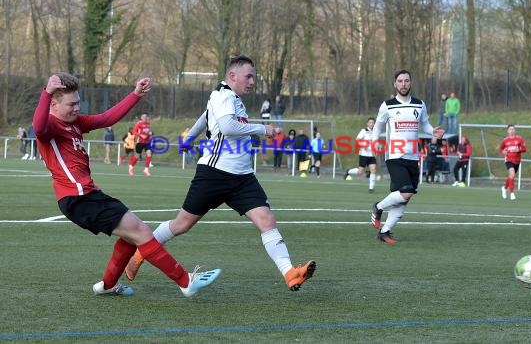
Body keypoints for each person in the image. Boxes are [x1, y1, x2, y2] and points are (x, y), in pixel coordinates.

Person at [123, 55, 316, 291]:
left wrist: (189, 138)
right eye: (249, 76)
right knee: (181, 224)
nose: (252, 82)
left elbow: (204, 118)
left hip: (242, 177)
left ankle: (290, 274)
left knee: (267, 220)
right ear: (233, 76)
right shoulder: (224, 95)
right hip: (215, 173)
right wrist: (262, 129)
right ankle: (141, 252)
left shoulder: (230, 99)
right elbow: (226, 127)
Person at [32, 73, 221, 297]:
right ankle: (185, 281)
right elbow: (39, 127)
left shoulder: (75, 123)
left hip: (87, 195)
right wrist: (46, 93)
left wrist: (135, 95)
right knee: (141, 231)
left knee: (131, 236)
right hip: (78, 198)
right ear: (53, 104)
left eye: (78, 102)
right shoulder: (50, 126)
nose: (77, 108)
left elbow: (106, 118)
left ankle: (108, 285)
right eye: (71, 104)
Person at [370, 69, 443, 244]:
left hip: (413, 156)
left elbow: (424, 125)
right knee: (406, 191)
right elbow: (378, 127)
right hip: (394, 155)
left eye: (406, 81)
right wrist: (375, 142)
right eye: (400, 81)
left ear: (411, 83)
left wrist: (433, 131)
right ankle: (378, 207)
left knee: (403, 200)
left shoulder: (419, 104)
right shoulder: (387, 105)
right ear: (395, 84)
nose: (403, 84)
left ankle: (385, 232)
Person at [344, 117, 379, 193]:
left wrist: (378, 148)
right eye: (370, 122)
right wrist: (363, 145)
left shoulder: (375, 132)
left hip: (372, 155)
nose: (371, 124)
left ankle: (371, 188)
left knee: (373, 170)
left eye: (373, 123)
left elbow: (376, 142)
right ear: (367, 123)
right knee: (360, 172)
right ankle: (348, 171)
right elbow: (357, 140)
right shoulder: (364, 131)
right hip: (363, 154)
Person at [499, 124, 527, 200]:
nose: (512, 130)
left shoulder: (519, 139)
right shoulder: (505, 140)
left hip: (517, 160)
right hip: (508, 160)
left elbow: (524, 149)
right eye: (510, 129)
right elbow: (501, 149)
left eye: (513, 129)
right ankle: (512, 193)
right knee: (512, 173)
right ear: (507, 131)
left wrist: (519, 150)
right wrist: (503, 151)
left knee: (511, 176)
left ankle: (504, 188)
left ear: (515, 130)